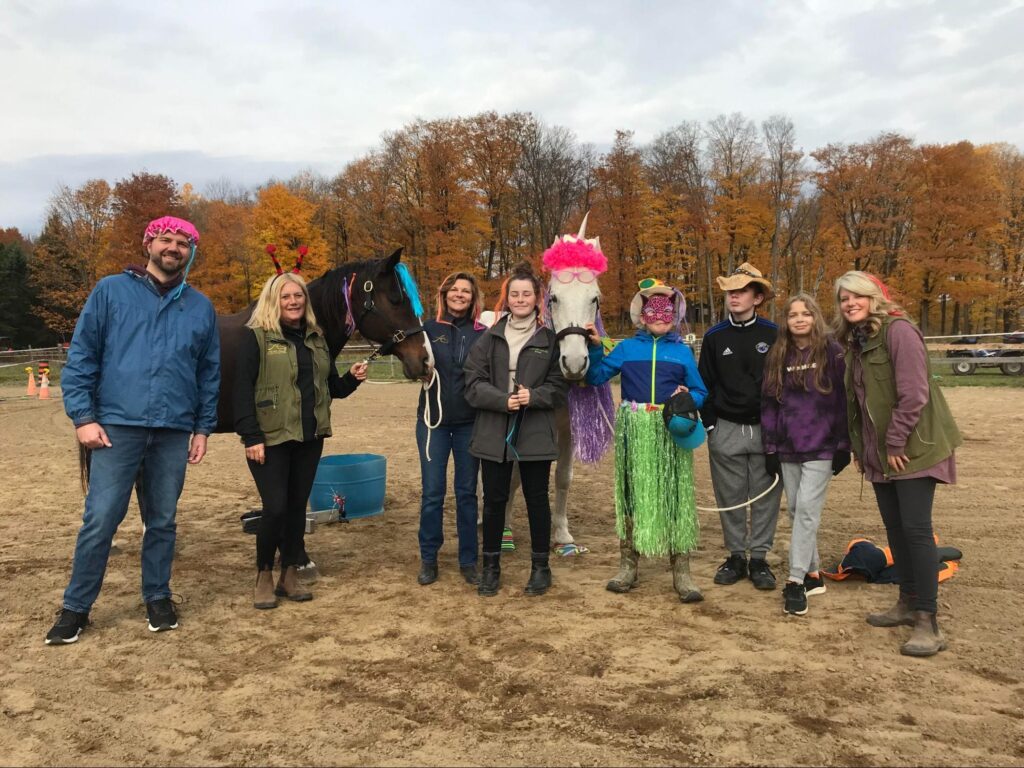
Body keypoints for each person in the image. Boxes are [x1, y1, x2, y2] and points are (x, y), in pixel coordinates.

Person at [46, 216, 220, 644]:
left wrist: (202, 428)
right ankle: (76, 607)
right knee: (101, 519)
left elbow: (208, 373)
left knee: (161, 520)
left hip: (173, 429)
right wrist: (83, 418)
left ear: (189, 252)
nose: (173, 247)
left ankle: (157, 596)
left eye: (182, 242)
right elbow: (83, 356)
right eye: (166, 239)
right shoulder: (110, 291)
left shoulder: (200, 306)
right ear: (149, 244)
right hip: (115, 427)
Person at [835, 271, 961, 656]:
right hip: (881, 452)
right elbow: (859, 402)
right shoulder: (857, 341)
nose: (850, 303)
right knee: (894, 528)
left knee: (916, 530)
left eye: (857, 296)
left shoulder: (898, 331)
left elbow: (914, 393)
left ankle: (928, 620)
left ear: (874, 297)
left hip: (912, 448)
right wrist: (862, 448)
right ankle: (907, 602)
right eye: (843, 299)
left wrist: (893, 441)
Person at [234, 267, 367, 609]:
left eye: (298, 296)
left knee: (295, 508)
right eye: (286, 296)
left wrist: (351, 379)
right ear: (274, 301)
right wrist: (251, 437)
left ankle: (289, 574)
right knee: (275, 508)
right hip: (271, 437)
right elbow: (240, 391)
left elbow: (329, 388)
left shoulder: (316, 339)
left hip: (310, 436)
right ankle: (264, 574)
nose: (293, 301)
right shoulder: (256, 337)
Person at [585, 278, 709, 602]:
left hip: (669, 431)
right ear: (641, 316)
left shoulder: (681, 352)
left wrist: (688, 399)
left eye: (665, 311)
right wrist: (597, 348)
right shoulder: (626, 348)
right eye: (652, 310)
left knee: (675, 496)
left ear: (674, 316)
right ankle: (628, 565)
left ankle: (682, 572)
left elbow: (701, 391)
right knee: (630, 493)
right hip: (634, 430)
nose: (658, 316)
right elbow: (596, 377)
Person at [464, 261, 567, 597]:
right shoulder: (488, 338)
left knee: (537, 499)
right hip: (494, 430)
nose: (520, 299)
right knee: (494, 500)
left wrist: (533, 396)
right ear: (506, 299)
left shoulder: (548, 340)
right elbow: (473, 382)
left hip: (534, 429)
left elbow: (559, 385)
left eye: (527, 294)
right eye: (515, 294)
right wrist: (500, 400)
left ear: (537, 299)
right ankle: (490, 567)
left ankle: (540, 567)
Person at [761, 293, 851, 617]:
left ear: (815, 317)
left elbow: (843, 401)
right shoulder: (778, 354)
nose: (799, 319)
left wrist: (844, 445)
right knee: (796, 510)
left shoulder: (832, 352)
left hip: (822, 444)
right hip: (788, 445)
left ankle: (795, 581)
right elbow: (769, 403)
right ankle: (813, 575)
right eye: (793, 315)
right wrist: (770, 446)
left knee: (808, 511)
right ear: (785, 321)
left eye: (806, 314)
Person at [698, 262, 783, 590]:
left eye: (741, 291)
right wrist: (710, 427)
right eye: (730, 292)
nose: (734, 296)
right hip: (726, 428)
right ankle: (735, 556)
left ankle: (759, 558)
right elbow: (704, 383)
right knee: (730, 495)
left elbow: (782, 384)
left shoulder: (774, 335)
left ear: (757, 297)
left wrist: (778, 431)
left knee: (765, 495)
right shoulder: (715, 337)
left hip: (765, 428)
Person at [416, 272, 487, 586]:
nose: (460, 295)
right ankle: (429, 558)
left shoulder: (483, 333)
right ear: (444, 294)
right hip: (433, 424)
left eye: (466, 291)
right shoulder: (427, 329)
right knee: (433, 493)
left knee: (466, 494)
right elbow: (411, 362)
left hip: (470, 424)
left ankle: (468, 559)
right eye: (454, 290)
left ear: (473, 298)